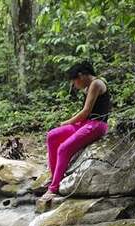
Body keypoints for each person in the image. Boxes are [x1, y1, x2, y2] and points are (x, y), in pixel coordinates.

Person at [39, 61, 111, 203]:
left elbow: (86, 112)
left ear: (81, 76)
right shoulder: (89, 86)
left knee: (64, 148)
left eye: (74, 81)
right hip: (85, 123)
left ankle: (53, 188)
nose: (74, 85)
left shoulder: (96, 84)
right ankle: (55, 177)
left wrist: (66, 122)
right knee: (52, 136)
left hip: (97, 125)